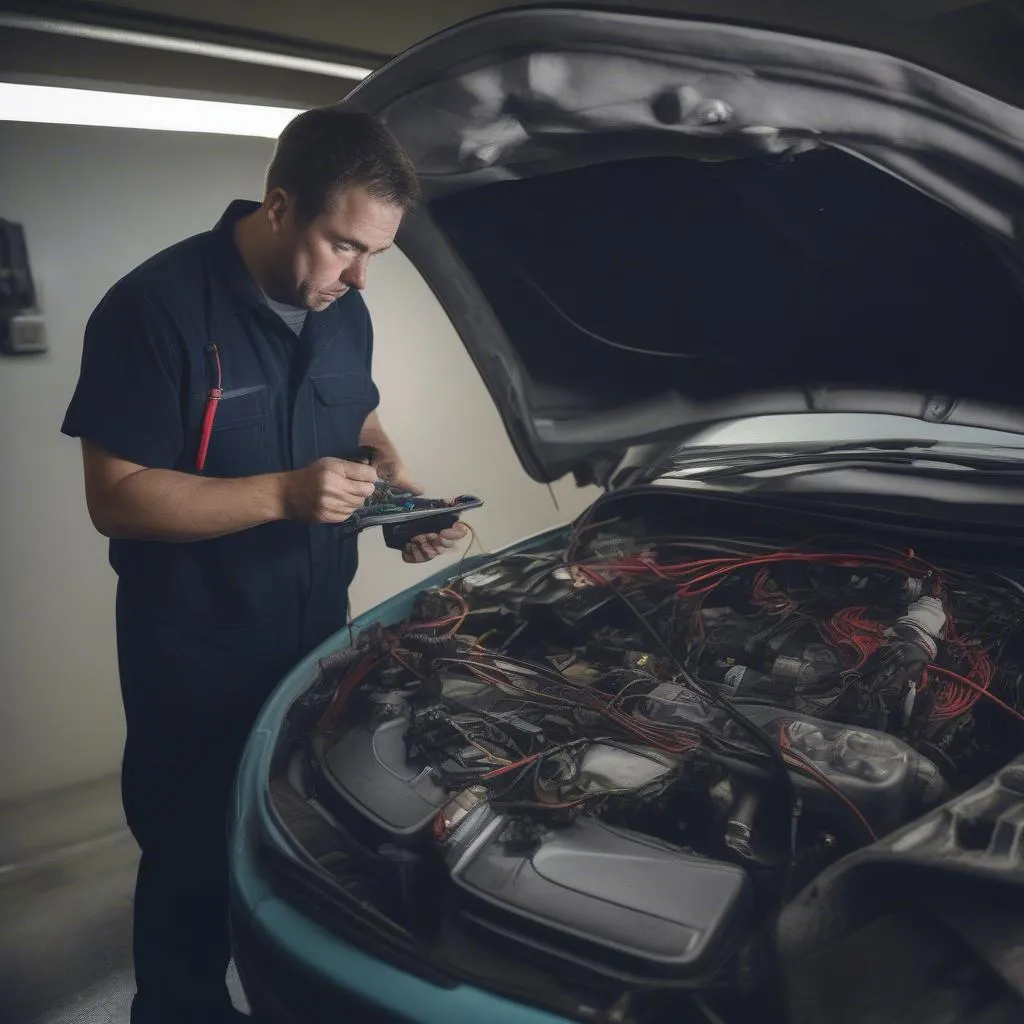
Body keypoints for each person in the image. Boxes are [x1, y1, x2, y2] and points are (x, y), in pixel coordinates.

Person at [61, 106, 468, 1024]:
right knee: (192, 865)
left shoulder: (344, 308)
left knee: (300, 841)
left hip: (318, 643)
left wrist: (401, 492)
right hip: (194, 658)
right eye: (342, 246)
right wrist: (284, 496)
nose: (359, 276)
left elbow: (353, 416)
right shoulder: (153, 308)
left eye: (377, 256)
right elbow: (115, 494)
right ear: (280, 205)